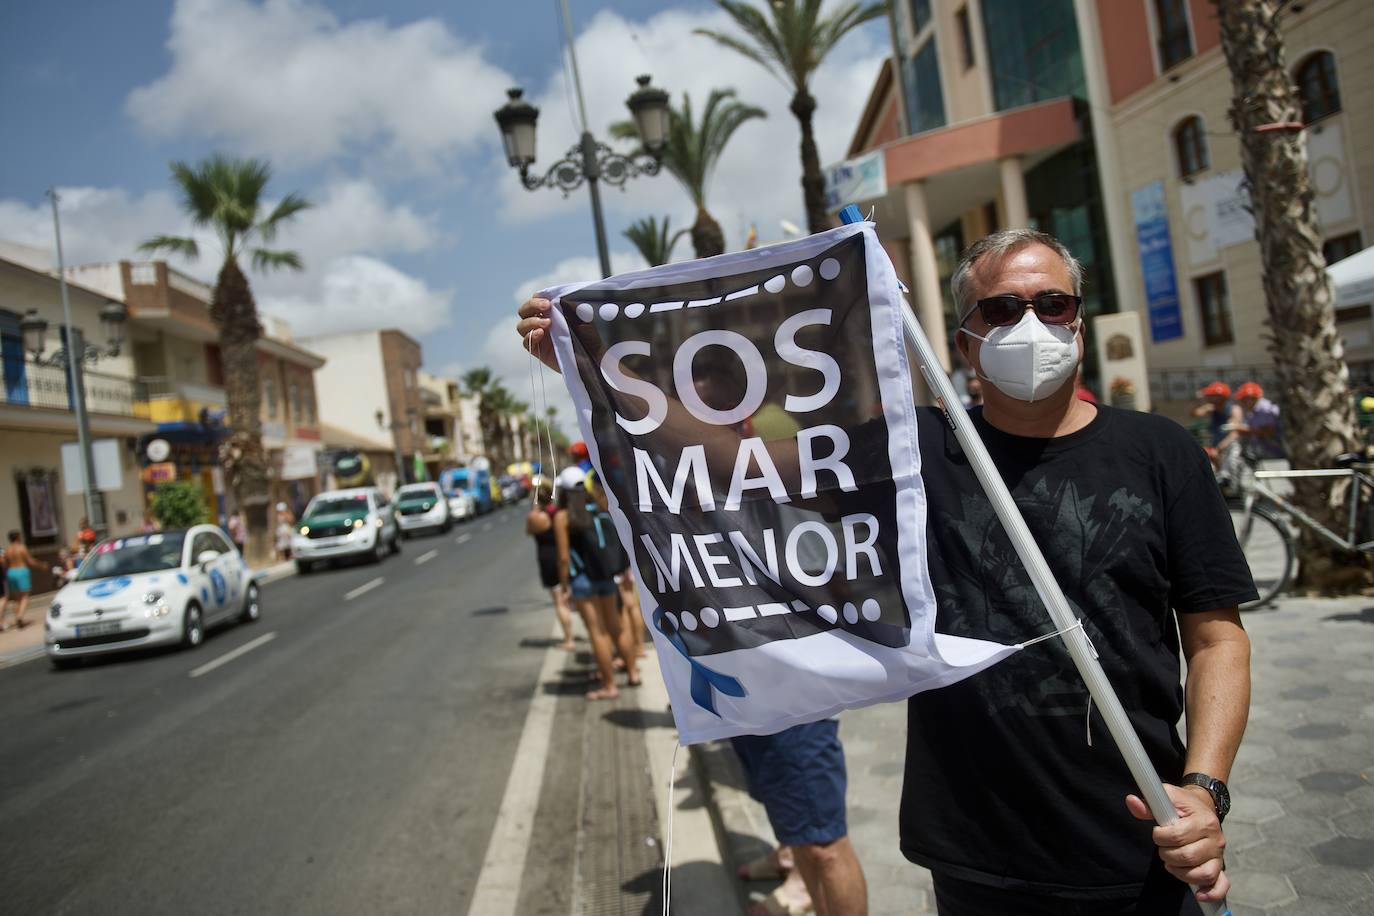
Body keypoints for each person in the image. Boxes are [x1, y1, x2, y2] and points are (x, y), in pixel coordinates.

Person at [515, 226, 1253, 914]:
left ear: (1079, 324)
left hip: (1143, 838)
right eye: (999, 309)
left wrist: (1203, 788)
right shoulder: (915, 453)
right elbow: (739, 459)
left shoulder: (1165, 453)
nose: (1031, 324)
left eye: (1052, 303)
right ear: (965, 344)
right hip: (975, 848)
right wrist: (591, 369)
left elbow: (1218, 639)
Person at [554, 470, 640, 700]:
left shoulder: (563, 517)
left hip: (583, 579)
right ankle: (633, 673)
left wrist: (564, 587)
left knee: (597, 631)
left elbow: (563, 558)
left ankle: (609, 685)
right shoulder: (597, 508)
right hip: (605, 575)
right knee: (617, 626)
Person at [526, 482, 576, 651]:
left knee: (559, 602)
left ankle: (569, 639)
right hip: (562, 556)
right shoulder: (557, 514)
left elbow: (528, 531)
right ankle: (571, 635)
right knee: (567, 596)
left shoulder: (535, 517)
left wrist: (534, 507)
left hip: (547, 560)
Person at [1219, 381, 1286, 462]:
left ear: (1250, 398)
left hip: (1274, 451)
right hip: (1260, 450)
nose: (1241, 402)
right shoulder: (1252, 411)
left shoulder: (1265, 409)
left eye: (1243, 399)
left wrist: (1240, 428)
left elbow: (1269, 431)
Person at [2, 530, 36, 631]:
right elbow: (30, 561)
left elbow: (4, 563)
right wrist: (41, 565)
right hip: (21, 571)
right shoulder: (21, 548)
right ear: (18, 537)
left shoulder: (7, 550)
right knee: (25, 596)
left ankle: (17, 617)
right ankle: (20, 617)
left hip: (11, 572)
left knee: (16, 599)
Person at [1191, 381, 1232, 448]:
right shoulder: (1211, 408)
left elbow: (1234, 433)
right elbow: (1195, 413)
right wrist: (1199, 401)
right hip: (1216, 443)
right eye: (1210, 396)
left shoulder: (1233, 409)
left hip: (1229, 446)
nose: (1210, 398)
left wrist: (1219, 448)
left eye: (1213, 396)